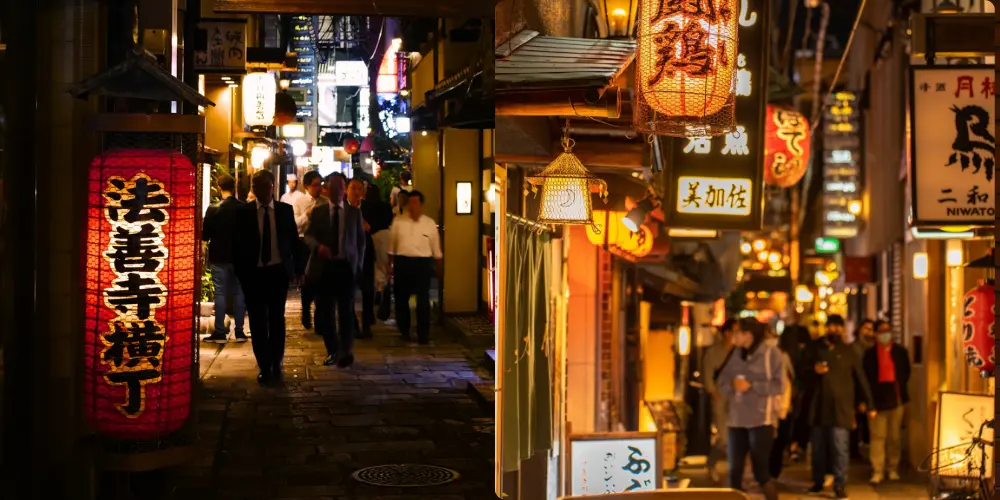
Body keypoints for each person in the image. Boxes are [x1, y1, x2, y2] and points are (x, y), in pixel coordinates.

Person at [232, 170, 298, 385]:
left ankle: (276, 361)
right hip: (254, 274)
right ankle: (264, 365)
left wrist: (296, 271)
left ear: (272, 186)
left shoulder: (285, 211)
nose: (261, 190)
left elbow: (293, 242)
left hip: (278, 272)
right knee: (258, 321)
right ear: (253, 189)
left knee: (277, 319)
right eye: (256, 186)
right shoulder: (243, 213)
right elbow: (237, 246)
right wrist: (242, 273)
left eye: (265, 185)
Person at [801, 314, 875, 499]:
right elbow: (801, 372)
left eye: (837, 327)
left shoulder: (849, 351)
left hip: (841, 408)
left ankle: (840, 484)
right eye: (831, 326)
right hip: (818, 407)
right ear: (827, 328)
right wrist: (813, 370)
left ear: (842, 329)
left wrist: (868, 403)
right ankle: (818, 481)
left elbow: (861, 378)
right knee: (818, 448)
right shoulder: (815, 347)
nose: (834, 330)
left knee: (840, 448)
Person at [716, 318, 784, 500]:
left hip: (762, 419)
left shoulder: (772, 354)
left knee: (761, 470)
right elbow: (721, 382)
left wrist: (752, 385)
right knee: (734, 470)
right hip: (736, 419)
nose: (733, 336)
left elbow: (780, 386)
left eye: (737, 332)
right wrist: (733, 385)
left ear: (748, 335)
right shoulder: (736, 354)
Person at [305, 173, 366, 368]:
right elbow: (309, 236)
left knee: (346, 311)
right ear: (327, 189)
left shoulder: (354, 213)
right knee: (326, 311)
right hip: (325, 267)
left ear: (344, 189)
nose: (336, 191)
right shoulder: (319, 211)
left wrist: (358, 266)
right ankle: (332, 350)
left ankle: (346, 350)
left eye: (340, 187)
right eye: (332, 187)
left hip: (345, 266)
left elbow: (360, 242)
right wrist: (318, 247)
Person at [388, 190, 441, 344]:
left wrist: (439, 266)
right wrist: (390, 266)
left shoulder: (429, 223)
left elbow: (436, 248)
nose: (412, 206)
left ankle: (423, 334)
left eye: (415, 203)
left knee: (423, 300)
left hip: (422, 264)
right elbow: (392, 246)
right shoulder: (399, 221)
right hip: (402, 262)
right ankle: (404, 330)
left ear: (421, 205)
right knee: (401, 298)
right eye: (410, 202)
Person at [862, 320, 910, 484]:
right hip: (876, 401)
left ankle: (893, 468)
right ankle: (877, 470)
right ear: (875, 334)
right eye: (881, 331)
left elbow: (906, 373)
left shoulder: (900, 352)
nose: (885, 334)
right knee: (877, 437)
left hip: (896, 399)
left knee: (894, 437)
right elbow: (865, 378)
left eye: (888, 331)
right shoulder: (869, 354)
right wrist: (866, 402)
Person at [201, 174, 247, 344]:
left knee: (220, 293)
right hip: (240, 257)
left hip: (219, 256)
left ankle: (220, 332)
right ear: (234, 187)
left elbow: (205, 235)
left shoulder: (213, 209)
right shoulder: (244, 208)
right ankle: (240, 332)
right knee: (239, 292)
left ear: (219, 188)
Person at [701, 319, 737, 484]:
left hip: (738, 400)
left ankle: (729, 468)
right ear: (727, 333)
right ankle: (715, 463)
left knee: (735, 435)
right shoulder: (714, 352)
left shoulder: (740, 352)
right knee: (723, 437)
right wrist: (713, 392)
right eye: (735, 331)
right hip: (720, 397)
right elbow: (707, 373)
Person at [292, 171, 328, 330]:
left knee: (321, 279)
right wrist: (307, 214)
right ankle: (306, 309)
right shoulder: (299, 201)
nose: (318, 188)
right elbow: (295, 225)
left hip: (320, 243)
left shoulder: (325, 202)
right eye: (315, 185)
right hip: (303, 244)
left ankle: (320, 318)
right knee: (306, 280)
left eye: (320, 184)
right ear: (306, 186)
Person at [768, 327, 797, 480]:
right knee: (776, 439)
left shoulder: (781, 355)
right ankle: (771, 470)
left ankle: (772, 470)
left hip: (780, 404)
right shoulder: (779, 355)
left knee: (778, 439)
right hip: (776, 404)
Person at [850, 319, 875, 460]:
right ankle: (855, 451)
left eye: (871, 329)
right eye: (865, 328)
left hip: (873, 390)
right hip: (857, 390)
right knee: (857, 422)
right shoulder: (854, 349)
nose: (868, 332)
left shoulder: (875, 348)